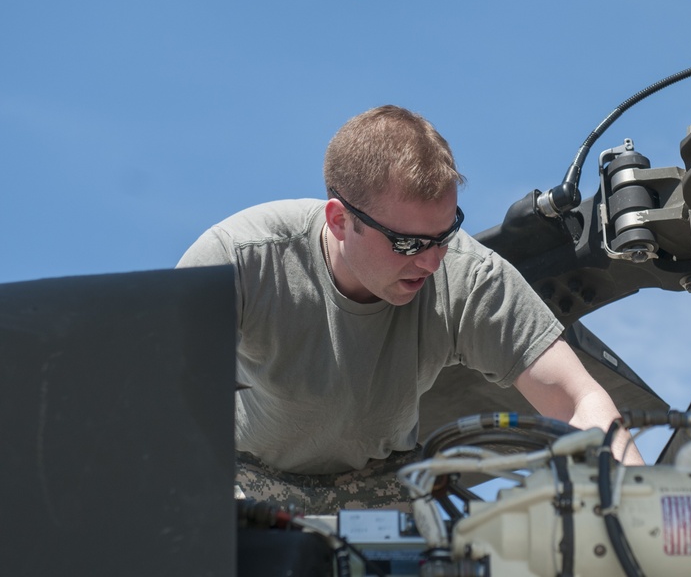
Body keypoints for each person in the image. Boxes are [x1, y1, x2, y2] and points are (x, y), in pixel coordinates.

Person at [178, 105, 642, 512]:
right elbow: (158, 405)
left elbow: (579, 401)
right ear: (340, 221)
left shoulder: (467, 275)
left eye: (445, 234)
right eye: (407, 242)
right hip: (245, 475)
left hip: (380, 483)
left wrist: (649, 513)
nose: (431, 259)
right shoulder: (241, 258)